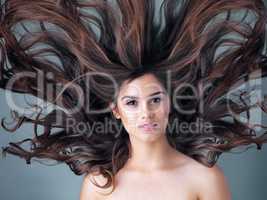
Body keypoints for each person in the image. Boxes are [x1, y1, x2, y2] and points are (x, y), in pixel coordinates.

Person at [0, 0, 267, 199]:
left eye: (155, 100)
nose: (146, 113)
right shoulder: (99, 185)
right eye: (131, 103)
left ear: (170, 104)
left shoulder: (205, 179)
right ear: (115, 110)